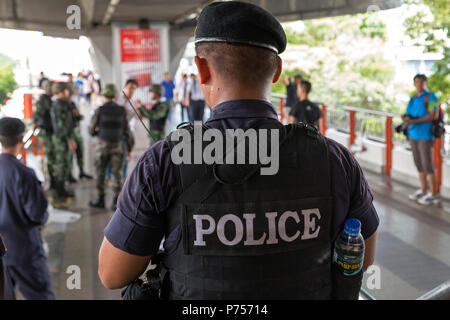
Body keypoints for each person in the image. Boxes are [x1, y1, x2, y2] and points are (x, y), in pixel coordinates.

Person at [98, 1, 379, 299]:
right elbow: (364, 257)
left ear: (201, 69)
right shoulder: (334, 159)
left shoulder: (163, 161)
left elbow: (112, 274)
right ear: (277, 71)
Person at [0, 118, 54, 300]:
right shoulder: (24, 174)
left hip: (2, 251)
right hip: (24, 250)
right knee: (40, 295)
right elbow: (37, 214)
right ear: (21, 139)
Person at [89, 84, 134, 211]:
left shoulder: (100, 110)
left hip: (102, 146)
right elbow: (127, 131)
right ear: (115, 95)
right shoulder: (121, 110)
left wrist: (98, 132)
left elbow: (91, 130)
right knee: (117, 174)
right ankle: (116, 202)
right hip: (118, 146)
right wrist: (129, 148)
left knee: (100, 173)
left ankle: (101, 200)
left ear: (104, 95)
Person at [404, 74, 440, 205]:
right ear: (414, 83)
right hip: (413, 135)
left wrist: (414, 121)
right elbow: (408, 113)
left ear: (426, 83)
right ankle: (424, 190)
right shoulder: (413, 98)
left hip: (425, 136)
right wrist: (406, 118)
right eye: (417, 82)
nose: (419, 84)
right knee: (418, 163)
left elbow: (433, 115)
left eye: (421, 82)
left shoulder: (432, 97)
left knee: (427, 164)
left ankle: (433, 194)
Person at [50, 82, 76, 200]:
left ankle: (62, 188)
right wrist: (69, 139)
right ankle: (60, 190)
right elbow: (61, 126)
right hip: (62, 139)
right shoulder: (59, 105)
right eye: (66, 90)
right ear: (62, 92)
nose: (68, 93)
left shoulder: (63, 104)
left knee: (65, 164)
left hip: (63, 138)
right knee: (61, 164)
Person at [65, 85, 93, 181]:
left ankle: (81, 172)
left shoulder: (72, 103)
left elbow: (76, 116)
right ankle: (69, 175)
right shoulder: (62, 105)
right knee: (69, 154)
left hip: (75, 130)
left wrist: (79, 117)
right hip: (68, 132)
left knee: (80, 150)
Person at [32, 79, 56, 189]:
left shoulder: (49, 99)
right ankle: (51, 180)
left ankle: (53, 178)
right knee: (49, 156)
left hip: (50, 130)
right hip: (46, 131)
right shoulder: (44, 100)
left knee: (51, 155)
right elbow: (37, 114)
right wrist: (34, 124)